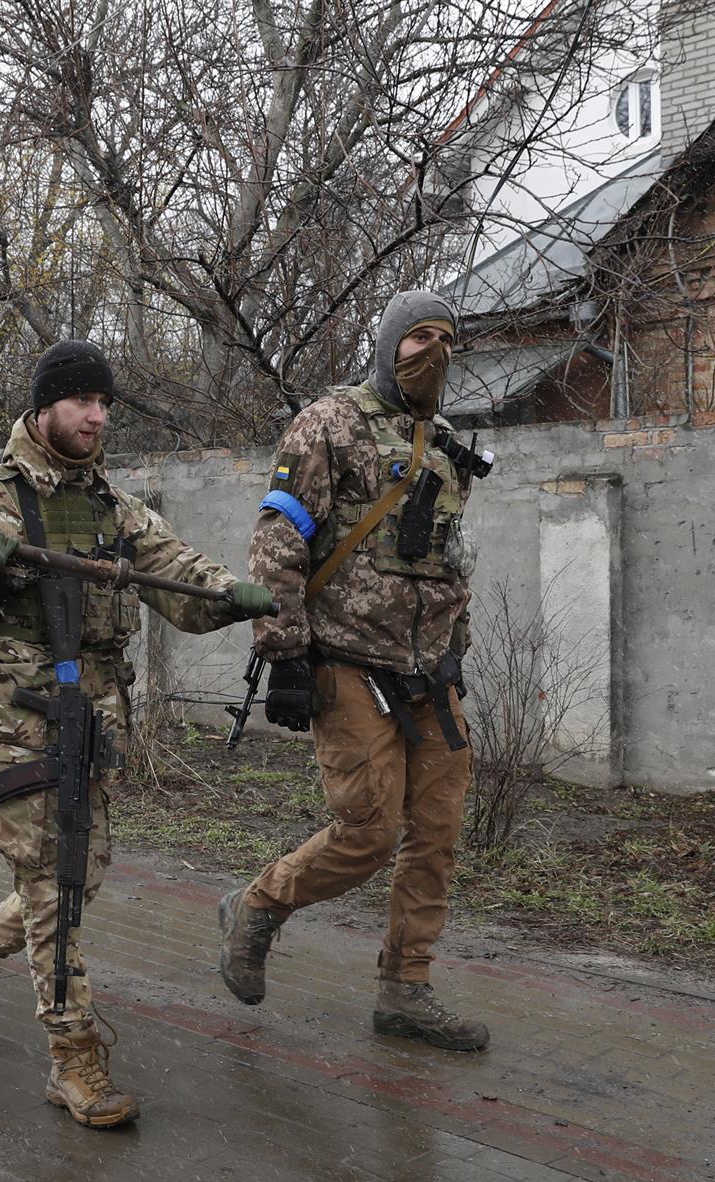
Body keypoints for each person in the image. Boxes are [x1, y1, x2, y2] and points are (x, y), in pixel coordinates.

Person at [0, 339, 277, 1127]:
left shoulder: (115, 509)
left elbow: (178, 575)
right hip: (11, 727)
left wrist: (234, 595)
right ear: (45, 405)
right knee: (56, 887)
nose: (97, 416)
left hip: (88, 723)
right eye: (83, 400)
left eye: (106, 403)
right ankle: (73, 1057)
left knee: (73, 881)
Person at [218, 289, 492, 1053]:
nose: (431, 352)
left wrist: (457, 648)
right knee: (370, 830)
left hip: (428, 673)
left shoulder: (446, 447)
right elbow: (279, 540)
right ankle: (259, 905)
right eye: (417, 338)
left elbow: (449, 563)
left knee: (435, 833)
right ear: (388, 344)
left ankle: (405, 989)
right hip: (345, 659)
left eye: (445, 338)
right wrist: (287, 654)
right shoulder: (330, 422)